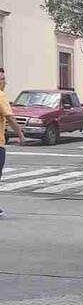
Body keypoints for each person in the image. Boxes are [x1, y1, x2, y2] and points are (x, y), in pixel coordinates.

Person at [0, 68, 27, 217]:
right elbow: (10, 117)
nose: (5, 82)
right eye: (2, 79)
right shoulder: (1, 95)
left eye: (4, 78)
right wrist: (20, 135)